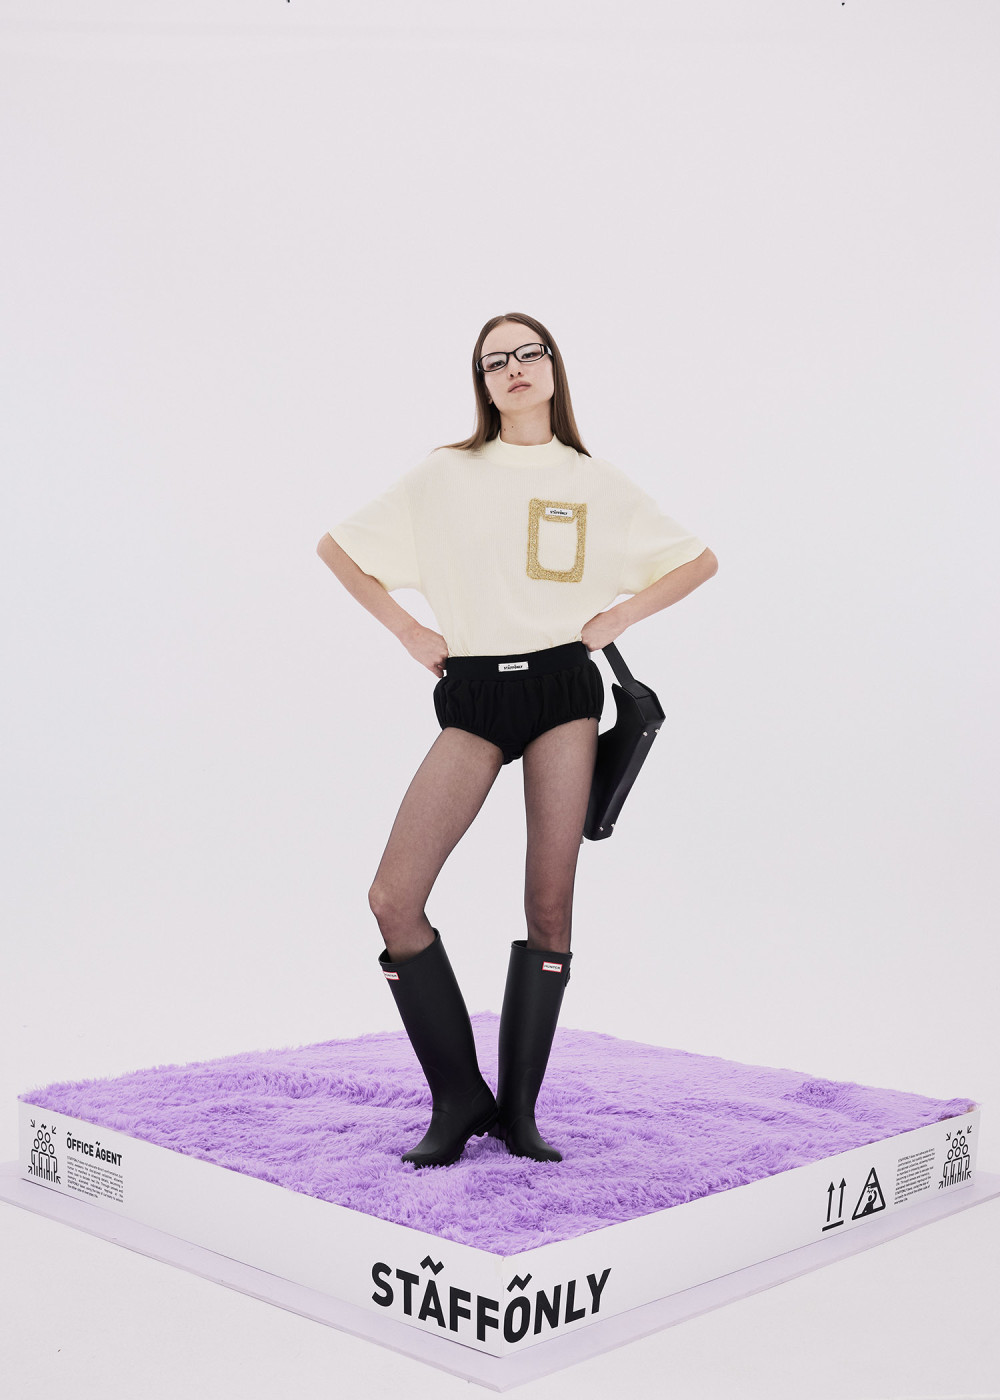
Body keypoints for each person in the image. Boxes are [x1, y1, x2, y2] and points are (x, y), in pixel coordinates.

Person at [316, 312, 717, 1169]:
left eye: (528, 353)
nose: (514, 368)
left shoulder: (594, 480)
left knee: (550, 905)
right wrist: (406, 630)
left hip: (563, 693)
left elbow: (698, 561)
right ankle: (459, 1097)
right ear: (483, 382)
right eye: (495, 360)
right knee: (393, 897)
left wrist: (618, 617)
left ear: (553, 368)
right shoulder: (446, 473)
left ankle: (521, 1115)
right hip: (474, 695)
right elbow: (338, 548)